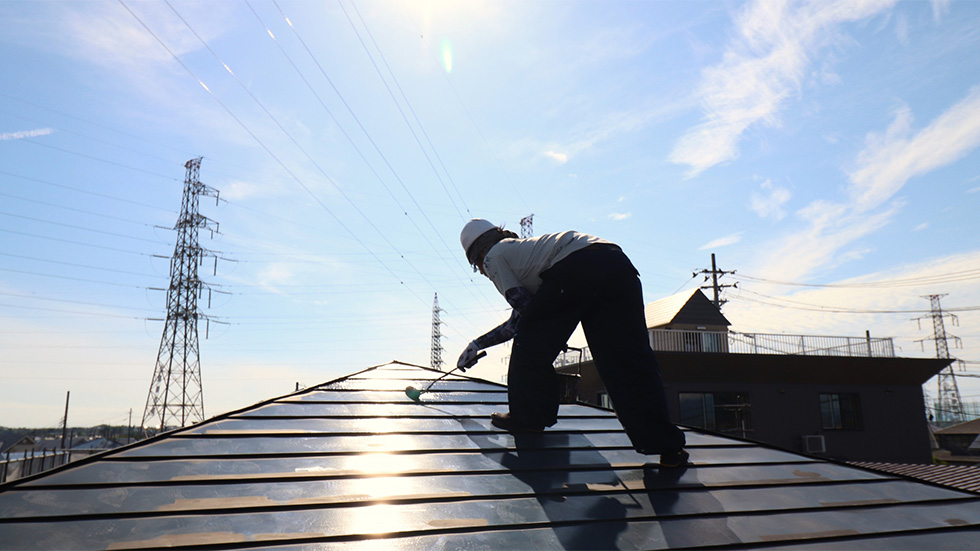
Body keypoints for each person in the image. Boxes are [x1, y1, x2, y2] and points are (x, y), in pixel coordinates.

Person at [456, 219, 689, 467]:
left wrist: (550, 333)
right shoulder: (525, 256)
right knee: (627, 359)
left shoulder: (494, 256)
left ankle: (528, 418)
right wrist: (477, 344)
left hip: (578, 266)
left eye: (477, 266)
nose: (482, 272)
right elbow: (523, 317)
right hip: (616, 263)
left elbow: (527, 316)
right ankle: (667, 445)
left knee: (529, 345)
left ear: (480, 253)